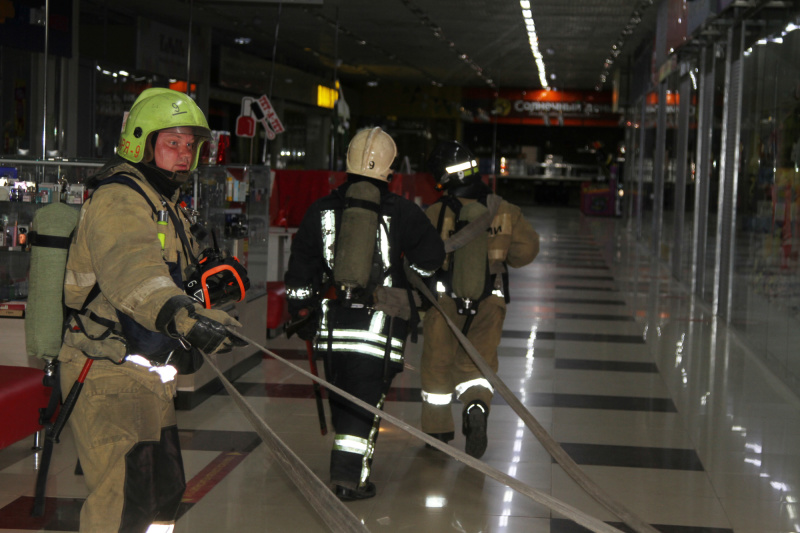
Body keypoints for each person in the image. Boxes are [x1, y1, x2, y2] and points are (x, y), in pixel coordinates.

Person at [58, 88, 244, 532]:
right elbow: (134, 276)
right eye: (172, 142)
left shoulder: (160, 200)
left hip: (145, 373)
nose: (184, 155)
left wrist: (206, 287)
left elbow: (173, 274)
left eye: (190, 145)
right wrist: (185, 318)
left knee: (161, 497)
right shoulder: (120, 200)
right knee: (121, 505)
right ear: (140, 142)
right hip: (107, 371)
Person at [284, 127, 444, 501]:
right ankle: (347, 478)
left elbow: (301, 268)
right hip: (380, 328)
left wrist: (302, 308)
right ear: (389, 170)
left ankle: (347, 465)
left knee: (342, 394)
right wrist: (407, 279)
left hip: (333, 325)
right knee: (366, 402)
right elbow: (432, 258)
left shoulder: (321, 209)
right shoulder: (403, 211)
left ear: (347, 163)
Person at [420, 140, 539, 459]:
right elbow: (526, 251)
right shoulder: (505, 210)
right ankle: (475, 407)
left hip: (444, 306)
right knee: (477, 364)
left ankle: (437, 434)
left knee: (437, 366)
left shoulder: (436, 211)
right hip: (490, 304)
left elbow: (419, 258)